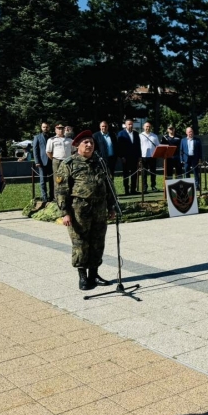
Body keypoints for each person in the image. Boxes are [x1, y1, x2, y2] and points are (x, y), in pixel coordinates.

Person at [55, 130, 115, 291]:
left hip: (100, 209)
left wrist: (112, 206)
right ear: (77, 145)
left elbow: (109, 186)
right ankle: (82, 277)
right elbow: (61, 191)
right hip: (79, 211)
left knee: (97, 242)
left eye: (92, 143)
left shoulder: (100, 162)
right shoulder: (69, 164)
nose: (89, 145)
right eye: (86, 142)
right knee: (80, 243)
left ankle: (94, 274)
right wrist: (65, 213)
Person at [116, 119, 141, 195]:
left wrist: (139, 157)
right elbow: (119, 146)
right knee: (126, 174)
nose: (130, 126)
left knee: (134, 174)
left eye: (131, 124)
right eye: (129, 124)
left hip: (134, 157)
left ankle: (133, 190)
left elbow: (138, 146)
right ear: (125, 125)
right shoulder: (121, 134)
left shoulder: (136, 134)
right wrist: (122, 156)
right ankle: (126, 190)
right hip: (125, 158)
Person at [33, 122, 53, 203]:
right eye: (44, 127)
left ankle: (52, 196)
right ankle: (44, 198)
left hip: (52, 161)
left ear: (49, 128)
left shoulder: (53, 137)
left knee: (52, 181)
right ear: (41, 128)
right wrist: (37, 161)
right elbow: (35, 150)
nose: (45, 128)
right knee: (42, 181)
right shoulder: (37, 137)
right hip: (42, 162)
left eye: (47, 127)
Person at [139, 121, 160, 193]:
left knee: (153, 172)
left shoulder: (154, 136)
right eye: (146, 126)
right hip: (143, 156)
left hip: (153, 156)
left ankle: (153, 186)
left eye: (149, 126)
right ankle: (145, 187)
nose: (148, 128)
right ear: (143, 127)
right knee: (144, 173)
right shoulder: (140, 136)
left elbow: (158, 145)